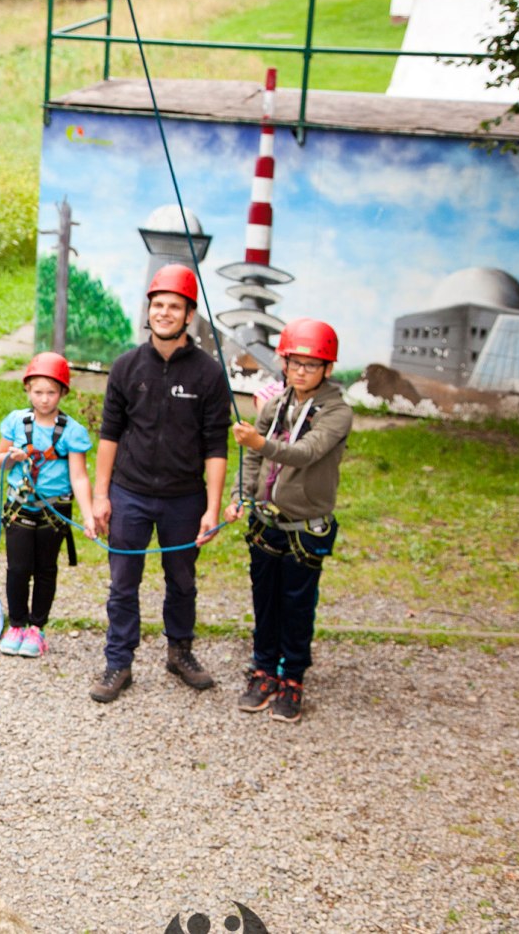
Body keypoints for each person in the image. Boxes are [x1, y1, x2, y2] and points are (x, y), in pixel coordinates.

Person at [89, 264, 232, 703]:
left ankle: (180, 651)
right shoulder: (126, 367)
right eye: (158, 305)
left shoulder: (209, 374)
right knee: (123, 583)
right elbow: (109, 434)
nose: (165, 313)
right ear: (148, 310)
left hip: (184, 499)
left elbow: (216, 447)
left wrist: (211, 507)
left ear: (189, 314)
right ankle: (119, 662)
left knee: (183, 581)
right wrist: (100, 495)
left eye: (174, 306)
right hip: (129, 494)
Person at [224, 318, 351, 723]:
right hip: (265, 522)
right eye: (294, 363)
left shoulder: (337, 412)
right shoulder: (277, 404)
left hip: (304, 526)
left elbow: (306, 452)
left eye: (311, 366)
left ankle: (292, 676)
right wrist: (241, 495)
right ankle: (263, 669)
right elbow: (254, 457)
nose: (300, 372)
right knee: (264, 599)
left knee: (297, 604)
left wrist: (259, 441)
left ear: (328, 369)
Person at [0, 352, 96, 658]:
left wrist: (89, 517)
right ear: (27, 391)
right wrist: (12, 457)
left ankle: (37, 628)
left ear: (63, 393)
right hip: (20, 505)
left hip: (54, 511)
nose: (44, 399)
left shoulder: (72, 432)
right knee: (19, 568)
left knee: (45, 569)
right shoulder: (16, 422)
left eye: (52, 392)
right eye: (38, 392)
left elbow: (79, 477)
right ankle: (17, 624)